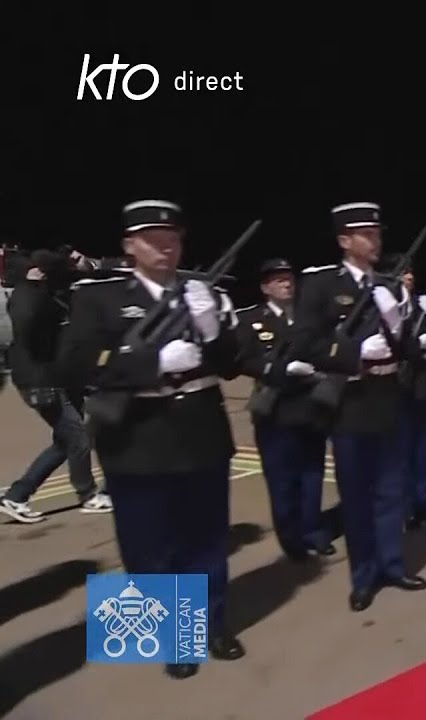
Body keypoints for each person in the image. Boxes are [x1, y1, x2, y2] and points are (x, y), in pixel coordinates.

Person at [58, 199, 245, 679]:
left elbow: (230, 363)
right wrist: (150, 364)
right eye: (153, 240)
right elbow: (74, 365)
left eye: (174, 240)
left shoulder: (201, 293)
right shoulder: (97, 296)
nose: (165, 248)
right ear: (129, 246)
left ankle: (209, 626)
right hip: (137, 437)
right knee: (148, 545)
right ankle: (170, 640)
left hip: (202, 433)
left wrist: (211, 327)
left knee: (205, 541)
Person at [294, 202, 426, 612]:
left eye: (377, 233)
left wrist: (409, 324)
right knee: (356, 495)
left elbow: (401, 345)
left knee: (391, 490)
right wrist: (353, 352)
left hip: (388, 395)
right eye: (365, 234)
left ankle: (391, 564)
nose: (374, 240)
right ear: (344, 241)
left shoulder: (387, 285)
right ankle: (363, 576)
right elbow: (306, 344)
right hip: (350, 400)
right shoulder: (319, 285)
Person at [3, 246, 112, 522]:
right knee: (77, 436)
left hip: (55, 378)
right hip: (42, 381)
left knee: (65, 441)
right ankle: (87, 495)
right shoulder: (30, 299)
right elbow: (32, 335)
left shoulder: (42, 295)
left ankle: (17, 495)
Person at [235, 259, 334, 560]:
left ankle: (312, 530)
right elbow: (243, 359)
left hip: (311, 405)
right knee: (282, 478)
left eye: (289, 279)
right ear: (266, 287)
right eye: (278, 280)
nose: (286, 284)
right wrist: (279, 369)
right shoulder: (251, 319)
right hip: (275, 409)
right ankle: (291, 539)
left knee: (313, 473)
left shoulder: (309, 318)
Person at [384, 253, 426, 528]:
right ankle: (404, 505)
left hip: (424, 383)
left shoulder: (423, 304)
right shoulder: (382, 307)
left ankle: (425, 500)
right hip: (397, 385)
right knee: (400, 448)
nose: (409, 277)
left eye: (410, 272)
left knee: (425, 444)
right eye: (402, 273)